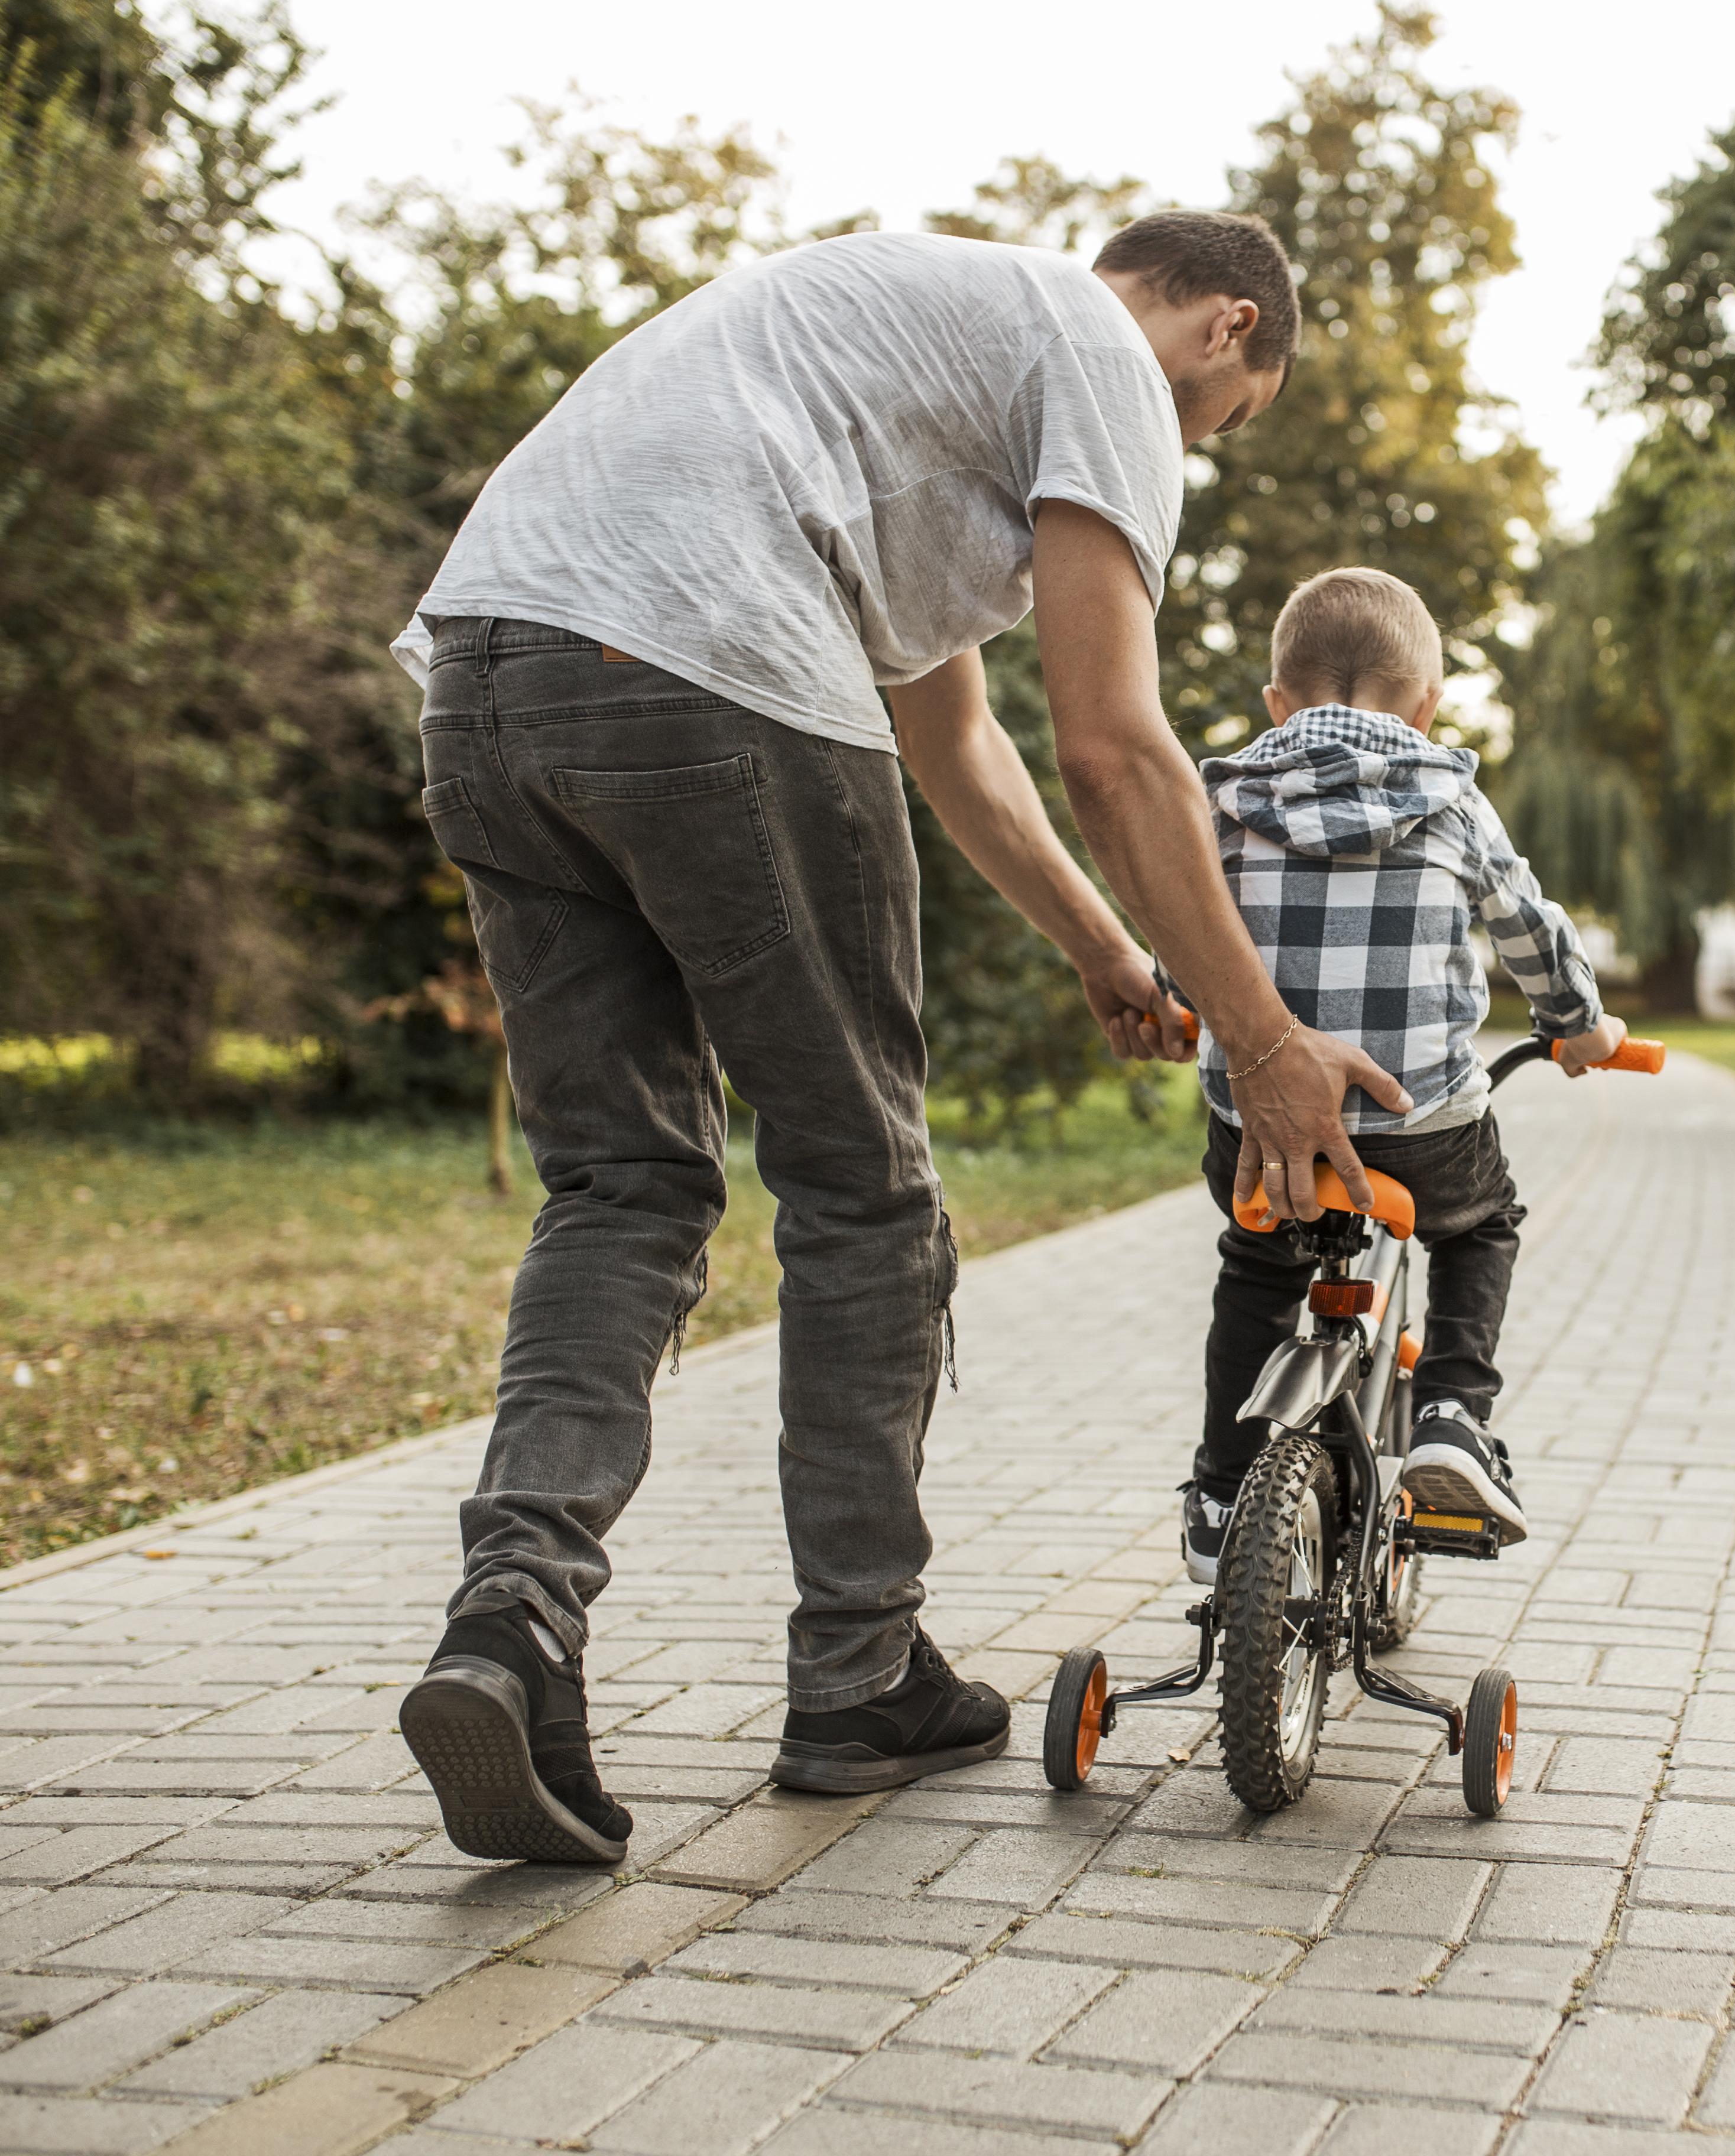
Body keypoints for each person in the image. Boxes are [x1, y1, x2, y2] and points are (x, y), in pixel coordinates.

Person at [390, 212, 1419, 1866]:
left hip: (491, 668)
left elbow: (959, 737)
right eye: (1220, 433)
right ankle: (857, 1673)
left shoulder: (908, 358)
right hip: (705, 666)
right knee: (863, 1200)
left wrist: (1108, 947)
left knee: (621, 1188)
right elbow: (1114, 745)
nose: (1188, 461)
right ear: (1227, 328)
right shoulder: (1098, 355)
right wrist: (1268, 1036)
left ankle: (511, 1626)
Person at [1177, 567, 1626, 1587]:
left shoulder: (1223, 797)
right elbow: (1531, 933)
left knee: (1257, 1265)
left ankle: (1219, 1489)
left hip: (1260, 1126)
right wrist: (1580, 1028)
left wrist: (1176, 999)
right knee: (1481, 1223)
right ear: (1427, 707)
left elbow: (1185, 931)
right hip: (1417, 1121)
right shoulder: (1453, 799)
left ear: (1277, 704)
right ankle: (1454, 1417)